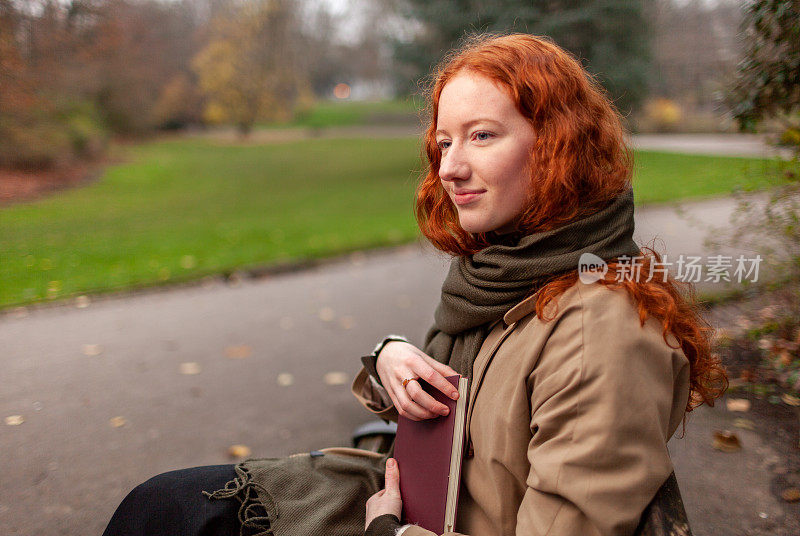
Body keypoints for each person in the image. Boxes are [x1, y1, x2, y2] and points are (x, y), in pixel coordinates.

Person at [101, 32, 725, 536]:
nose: (451, 167)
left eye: (482, 136)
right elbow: (473, 402)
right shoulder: (504, 273)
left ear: (558, 147)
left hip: (419, 520)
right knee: (162, 507)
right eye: (444, 141)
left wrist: (388, 531)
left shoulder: (599, 330)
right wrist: (391, 358)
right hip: (421, 496)